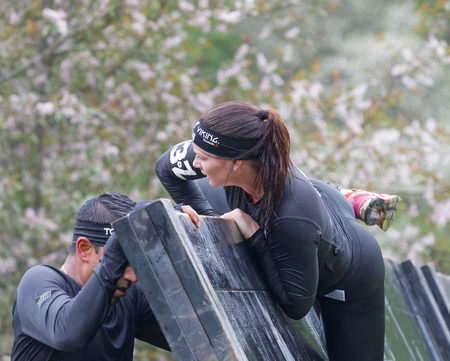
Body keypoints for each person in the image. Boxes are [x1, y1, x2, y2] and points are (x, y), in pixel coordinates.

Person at [155, 101, 393, 361]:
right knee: (211, 191)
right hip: (300, 208)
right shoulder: (231, 154)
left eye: (203, 157)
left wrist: (254, 236)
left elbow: (296, 305)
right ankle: (339, 193)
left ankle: (344, 198)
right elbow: (165, 168)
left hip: (350, 269)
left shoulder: (292, 217)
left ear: (236, 163)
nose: (195, 161)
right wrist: (217, 223)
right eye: (195, 153)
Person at [11, 193, 169, 361]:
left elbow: (193, 332)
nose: (134, 277)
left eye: (137, 262)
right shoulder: (37, 281)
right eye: (122, 260)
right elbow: (69, 335)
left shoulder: (130, 298)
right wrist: (120, 240)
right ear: (85, 249)